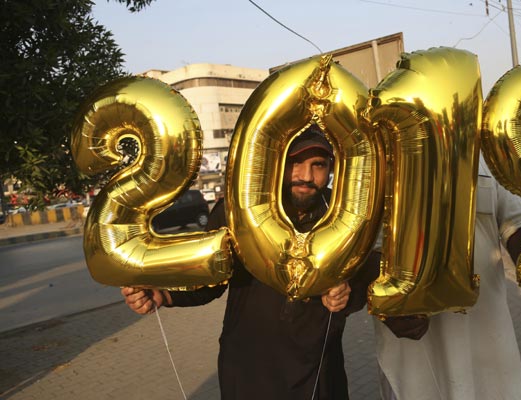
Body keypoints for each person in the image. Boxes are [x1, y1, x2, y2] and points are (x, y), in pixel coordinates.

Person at [121, 125, 379, 400]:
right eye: (295, 163)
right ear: (276, 163)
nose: (306, 176)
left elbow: (363, 276)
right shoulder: (239, 211)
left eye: (318, 165)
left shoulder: (344, 217)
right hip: (247, 372)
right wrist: (165, 294)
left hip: (318, 373)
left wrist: (346, 294)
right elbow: (209, 281)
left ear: (331, 170)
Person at [373, 156, 521, 400]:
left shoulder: (488, 151)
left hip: (488, 343)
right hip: (412, 350)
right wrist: (388, 306)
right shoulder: (382, 150)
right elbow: (367, 247)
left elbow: (517, 222)